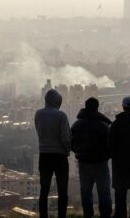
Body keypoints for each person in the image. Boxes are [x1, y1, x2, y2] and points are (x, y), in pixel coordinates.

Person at [71, 97, 113, 218]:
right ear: (97, 107)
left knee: (86, 192)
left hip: (83, 163)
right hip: (100, 163)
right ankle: (105, 215)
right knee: (104, 192)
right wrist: (106, 156)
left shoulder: (77, 125)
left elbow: (71, 143)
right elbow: (111, 145)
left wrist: (79, 153)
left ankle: (87, 215)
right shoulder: (104, 125)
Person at [34, 89, 71, 218]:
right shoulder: (61, 116)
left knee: (44, 189)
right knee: (62, 190)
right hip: (60, 156)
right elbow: (65, 138)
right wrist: (68, 150)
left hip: (44, 155)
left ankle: (43, 216)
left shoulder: (38, 114)